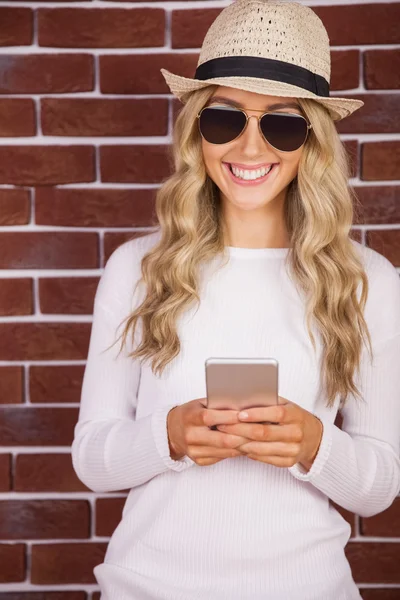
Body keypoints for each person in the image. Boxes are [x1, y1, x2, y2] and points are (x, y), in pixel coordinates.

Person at [71, 1, 400, 598]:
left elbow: (379, 489)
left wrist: (313, 444)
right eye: (225, 120)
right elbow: (92, 460)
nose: (250, 149)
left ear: (312, 143)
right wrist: (168, 436)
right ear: (197, 131)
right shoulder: (137, 270)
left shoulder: (367, 282)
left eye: (281, 124)